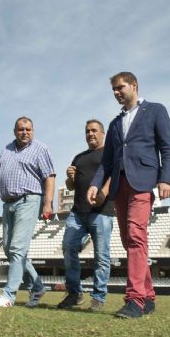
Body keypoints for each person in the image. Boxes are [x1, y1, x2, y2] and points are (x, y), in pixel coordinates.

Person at [87, 72, 170, 319]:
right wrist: (95, 184)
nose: (116, 92)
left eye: (120, 87)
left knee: (136, 236)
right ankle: (148, 297)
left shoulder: (156, 110)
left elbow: (167, 147)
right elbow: (106, 161)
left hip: (143, 183)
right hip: (119, 187)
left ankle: (134, 299)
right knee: (129, 242)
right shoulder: (115, 123)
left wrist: (165, 178)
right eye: (113, 89)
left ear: (134, 86)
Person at [0, 116, 56, 307]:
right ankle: (38, 287)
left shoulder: (40, 148)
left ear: (33, 131)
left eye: (28, 129)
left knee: (18, 248)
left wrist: (48, 202)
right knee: (10, 250)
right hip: (8, 203)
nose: (25, 132)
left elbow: (49, 176)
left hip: (29, 200)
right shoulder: (6, 150)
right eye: (21, 129)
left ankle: (9, 295)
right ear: (14, 131)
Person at [58, 120, 114, 312]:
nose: (90, 134)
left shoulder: (110, 153)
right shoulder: (79, 157)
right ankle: (74, 294)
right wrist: (70, 176)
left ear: (102, 133)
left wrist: (103, 194)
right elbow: (71, 186)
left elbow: (114, 176)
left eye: (94, 130)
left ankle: (98, 298)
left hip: (101, 211)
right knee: (68, 247)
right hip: (78, 212)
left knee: (102, 256)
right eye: (87, 131)